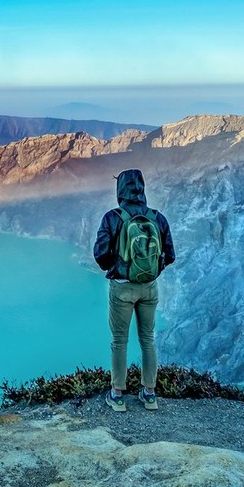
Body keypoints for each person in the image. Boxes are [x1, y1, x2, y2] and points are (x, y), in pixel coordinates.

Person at [93, 168, 175, 412]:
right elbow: (170, 255)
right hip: (149, 288)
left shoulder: (112, 218)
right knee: (148, 339)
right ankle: (149, 394)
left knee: (120, 340)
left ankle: (117, 395)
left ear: (120, 190)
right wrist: (151, 272)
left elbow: (100, 254)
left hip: (122, 288)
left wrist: (117, 268)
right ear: (142, 188)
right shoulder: (157, 218)